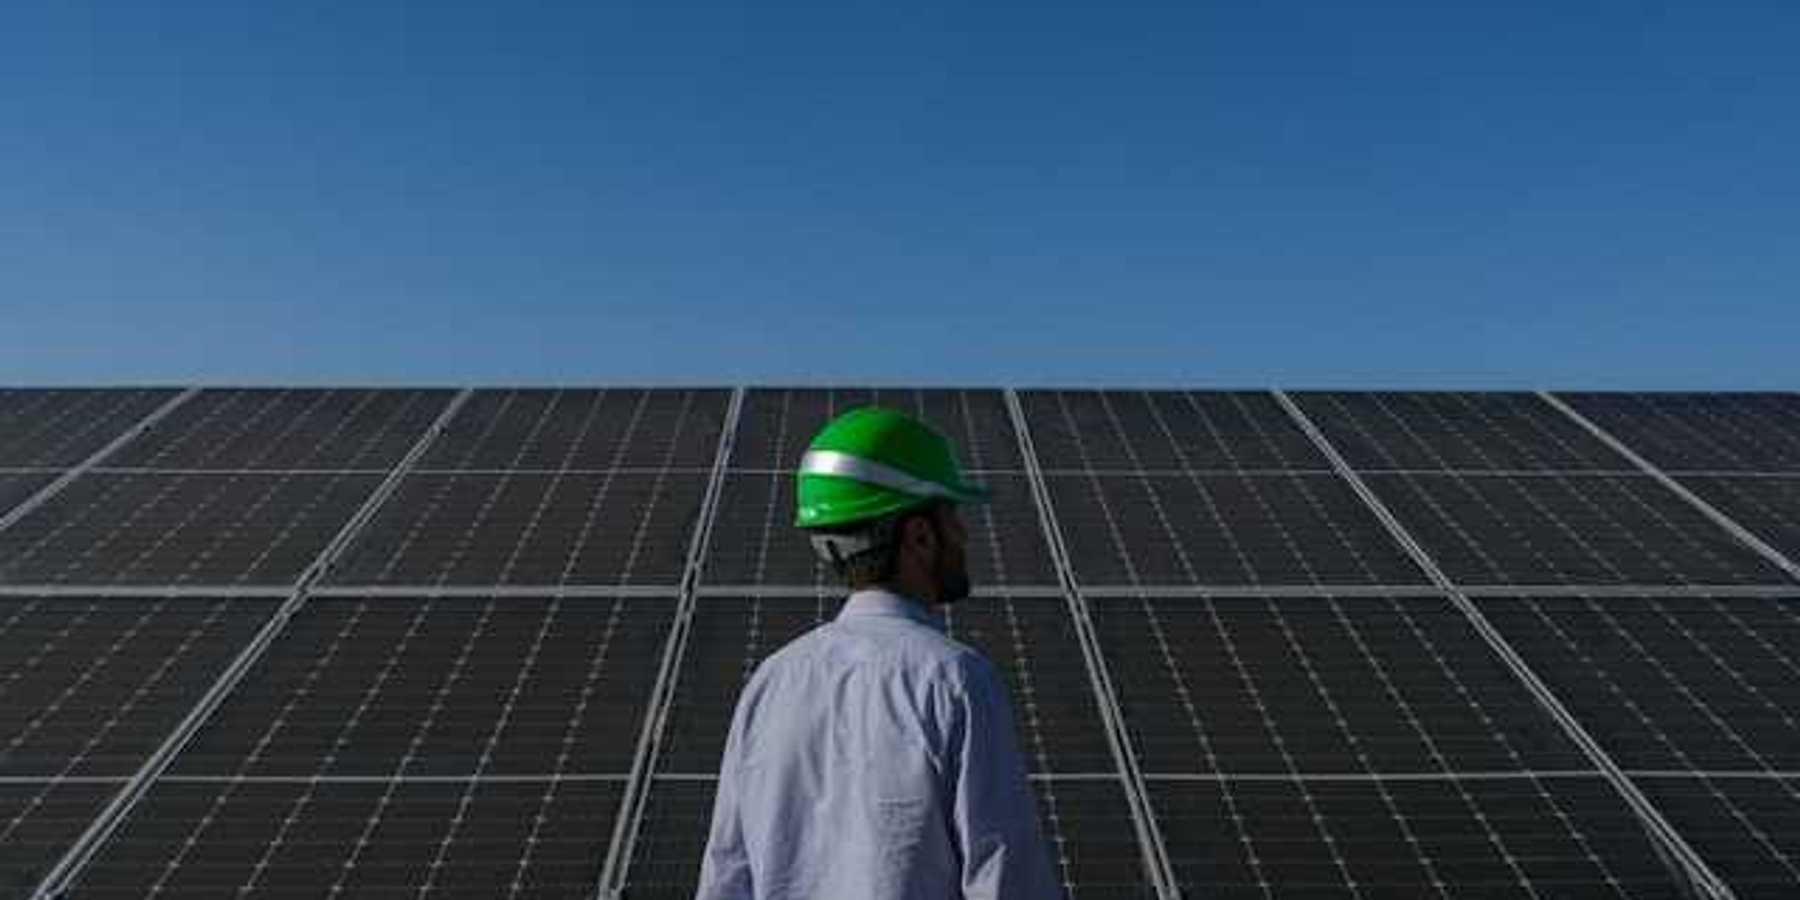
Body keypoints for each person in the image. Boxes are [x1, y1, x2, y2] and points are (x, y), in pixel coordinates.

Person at [695, 407, 1062, 899]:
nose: (964, 533)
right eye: (952, 514)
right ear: (919, 536)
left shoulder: (769, 684)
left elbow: (726, 877)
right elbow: (1005, 881)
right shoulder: (954, 681)